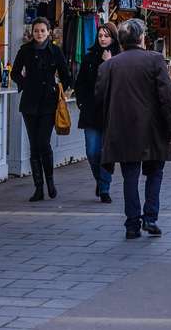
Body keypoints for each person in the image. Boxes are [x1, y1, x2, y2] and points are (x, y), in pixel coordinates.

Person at [95, 19, 171, 239]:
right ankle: (150, 217)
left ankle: (132, 223)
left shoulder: (109, 65)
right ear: (141, 38)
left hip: (122, 129)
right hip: (154, 130)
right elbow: (167, 98)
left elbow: (99, 98)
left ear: (120, 41)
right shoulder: (155, 60)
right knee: (155, 174)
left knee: (129, 176)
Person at [11, 17, 71, 202]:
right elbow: (15, 72)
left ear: (48, 32)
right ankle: (38, 187)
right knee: (34, 145)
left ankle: (50, 181)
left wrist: (58, 87)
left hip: (48, 103)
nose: (39, 34)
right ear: (32, 32)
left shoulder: (55, 51)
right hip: (29, 102)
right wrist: (24, 84)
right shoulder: (25, 50)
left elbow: (66, 74)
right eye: (36, 31)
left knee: (43, 143)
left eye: (42, 31)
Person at [74, 22, 121, 203]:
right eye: (100, 35)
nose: (102, 39)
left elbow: (121, 83)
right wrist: (81, 102)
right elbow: (81, 83)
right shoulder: (89, 57)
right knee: (92, 152)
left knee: (105, 152)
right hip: (91, 111)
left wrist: (109, 63)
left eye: (106, 35)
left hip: (111, 112)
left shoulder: (119, 57)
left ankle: (104, 188)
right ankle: (101, 180)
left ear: (113, 38)